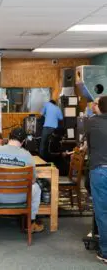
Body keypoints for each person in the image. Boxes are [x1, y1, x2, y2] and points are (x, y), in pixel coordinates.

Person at [86, 95, 107, 264]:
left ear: (99, 106)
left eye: (95, 103)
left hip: (100, 170)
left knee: (102, 213)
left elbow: (89, 146)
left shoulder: (92, 122)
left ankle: (106, 251)